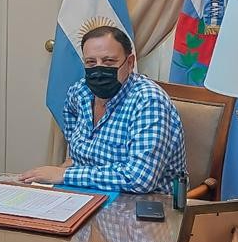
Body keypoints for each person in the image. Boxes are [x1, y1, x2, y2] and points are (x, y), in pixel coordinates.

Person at [20, 25, 186, 194]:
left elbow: (139, 179)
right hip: (87, 193)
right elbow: (76, 156)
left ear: (129, 63)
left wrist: (65, 175)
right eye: (91, 62)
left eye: (109, 61)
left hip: (144, 202)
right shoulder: (79, 92)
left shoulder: (149, 101)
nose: (99, 70)